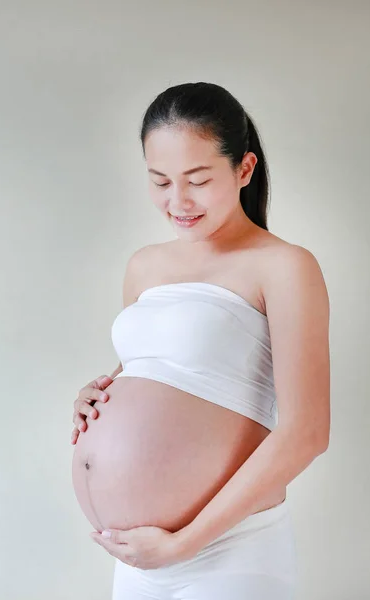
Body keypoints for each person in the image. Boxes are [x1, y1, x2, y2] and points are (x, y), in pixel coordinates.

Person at [71, 82, 330, 600]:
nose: (177, 201)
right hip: (136, 559)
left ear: (244, 169)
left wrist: (184, 543)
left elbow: (307, 433)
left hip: (226, 551)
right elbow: (165, 375)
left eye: (197, 180)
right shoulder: (145, 265)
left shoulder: (284, 266)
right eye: (160, 181)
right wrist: (95, 399)